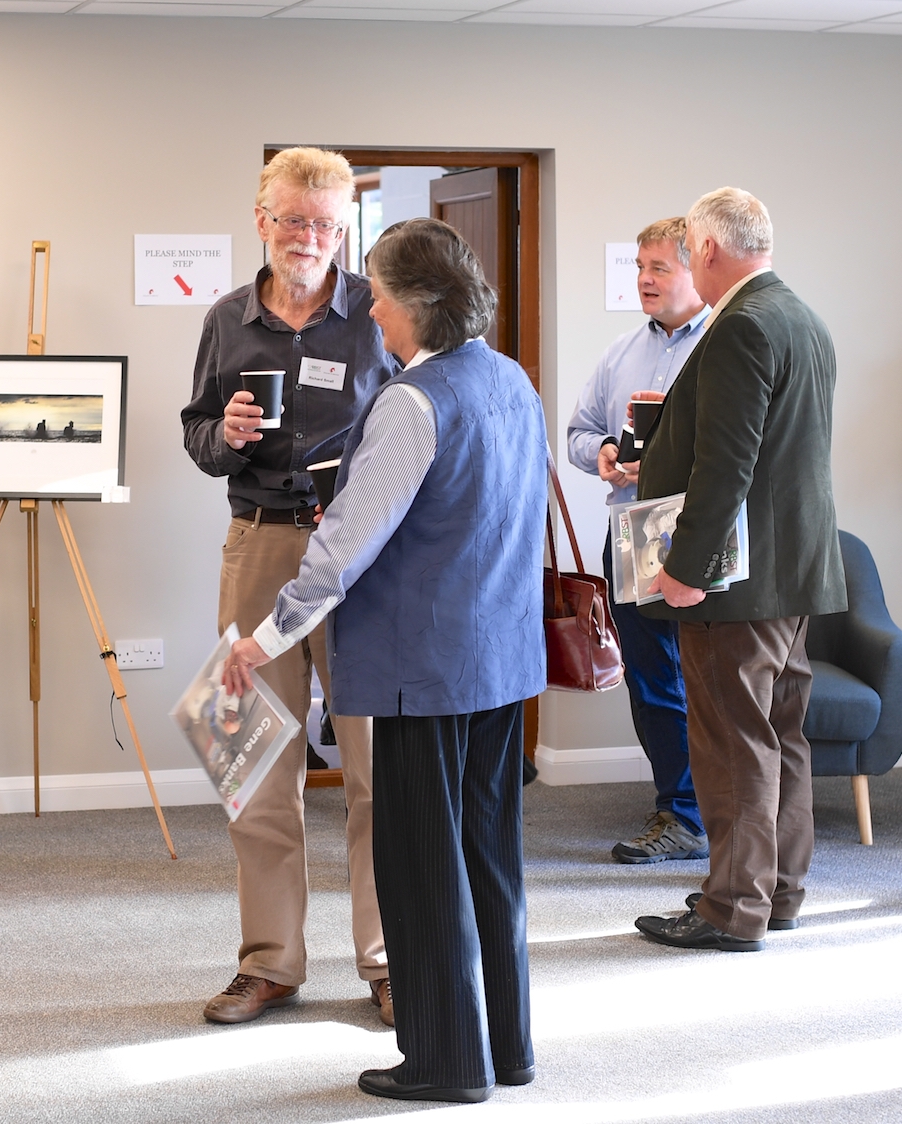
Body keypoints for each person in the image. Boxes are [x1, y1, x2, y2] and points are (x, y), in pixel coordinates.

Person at [222, 217, 548, 1103]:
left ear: (415, 304)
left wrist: (268, 635)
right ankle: (504, 1048)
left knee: (419, 866)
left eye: (377, 292)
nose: (368, 307)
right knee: (489, 862)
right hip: (497, 662)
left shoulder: (411, 402)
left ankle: (444, 1063)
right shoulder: (510, 379)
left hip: (422, 670)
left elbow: (344, 546)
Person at [179, 146, 399, 1026]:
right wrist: (224, 432)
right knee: (256, 758)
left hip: (360, 560)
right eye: (293, 218)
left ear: (343, 228)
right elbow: (195, 437)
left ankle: (387, 959)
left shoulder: (375, 315)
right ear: (261, 218)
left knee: (379, 765)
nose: (309, 237)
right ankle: (269, 961)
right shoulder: (228, 319)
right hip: (261, 546)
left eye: (325, 223)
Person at [631, 187, 845, 953]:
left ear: (710, 250)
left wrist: (687, 568)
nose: (687, 260)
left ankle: (731, 906)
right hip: (794, 574)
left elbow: (730, 465)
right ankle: (777, 892)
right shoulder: (801, 318)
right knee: (780, 735)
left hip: (736, 583)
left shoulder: (741, 327)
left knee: (731, 741)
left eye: (688, 248)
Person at [564, 217, 710, 864]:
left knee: (710, 677)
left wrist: (661, 467)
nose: (645, 280)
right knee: (652, 680)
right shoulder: (621, 352)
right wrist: (600, 454)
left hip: (699, 533)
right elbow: (576, 432)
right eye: (639, 268)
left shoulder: (725, 346)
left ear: (694, 271)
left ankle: (714, 807)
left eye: (659, 268)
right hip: (630, 532)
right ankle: (678, 810)